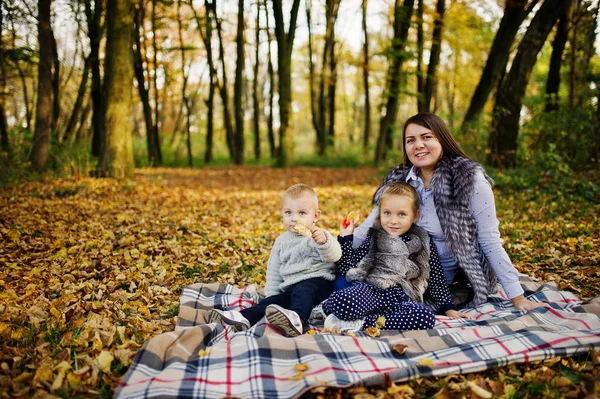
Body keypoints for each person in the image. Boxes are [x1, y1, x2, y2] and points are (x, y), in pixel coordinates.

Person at [353, 112, 542, 311]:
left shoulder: (468, 179)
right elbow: (371, 224)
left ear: (442, 139)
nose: (418, 145)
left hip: (434, 277)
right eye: (410, 140)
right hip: (391, 261)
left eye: (426, 137)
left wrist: (517, 296)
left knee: (366, 295)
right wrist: (338, 250)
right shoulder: (399, 178)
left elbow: (490, 240)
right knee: (339, 277)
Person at [322, 182, 472, 331]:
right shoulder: (375, 237)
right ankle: (332, 309)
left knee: (425, 318)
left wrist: (448, 307)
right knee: (341, 301)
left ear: (415, 216)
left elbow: (437, 279)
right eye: (387, 213)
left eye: (402, 214)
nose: (393, 221)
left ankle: (365, 321)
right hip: (372, 289)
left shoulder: (423, 242)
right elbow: (348, 267)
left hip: (403, 297)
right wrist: (346, 238)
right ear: (380, 213)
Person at [206, 183, 342, 337]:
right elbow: (274, 271)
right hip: (290, 287)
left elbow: (335, 256)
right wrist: (272, 295)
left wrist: (324, 243)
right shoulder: (281, 241)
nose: (294, 218)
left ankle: (297, 319)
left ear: (315, 216)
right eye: (288, 213)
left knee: (304, 291)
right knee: (273, 302)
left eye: (302, 213)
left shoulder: (318, 235)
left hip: (317, 283)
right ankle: (244, 317)